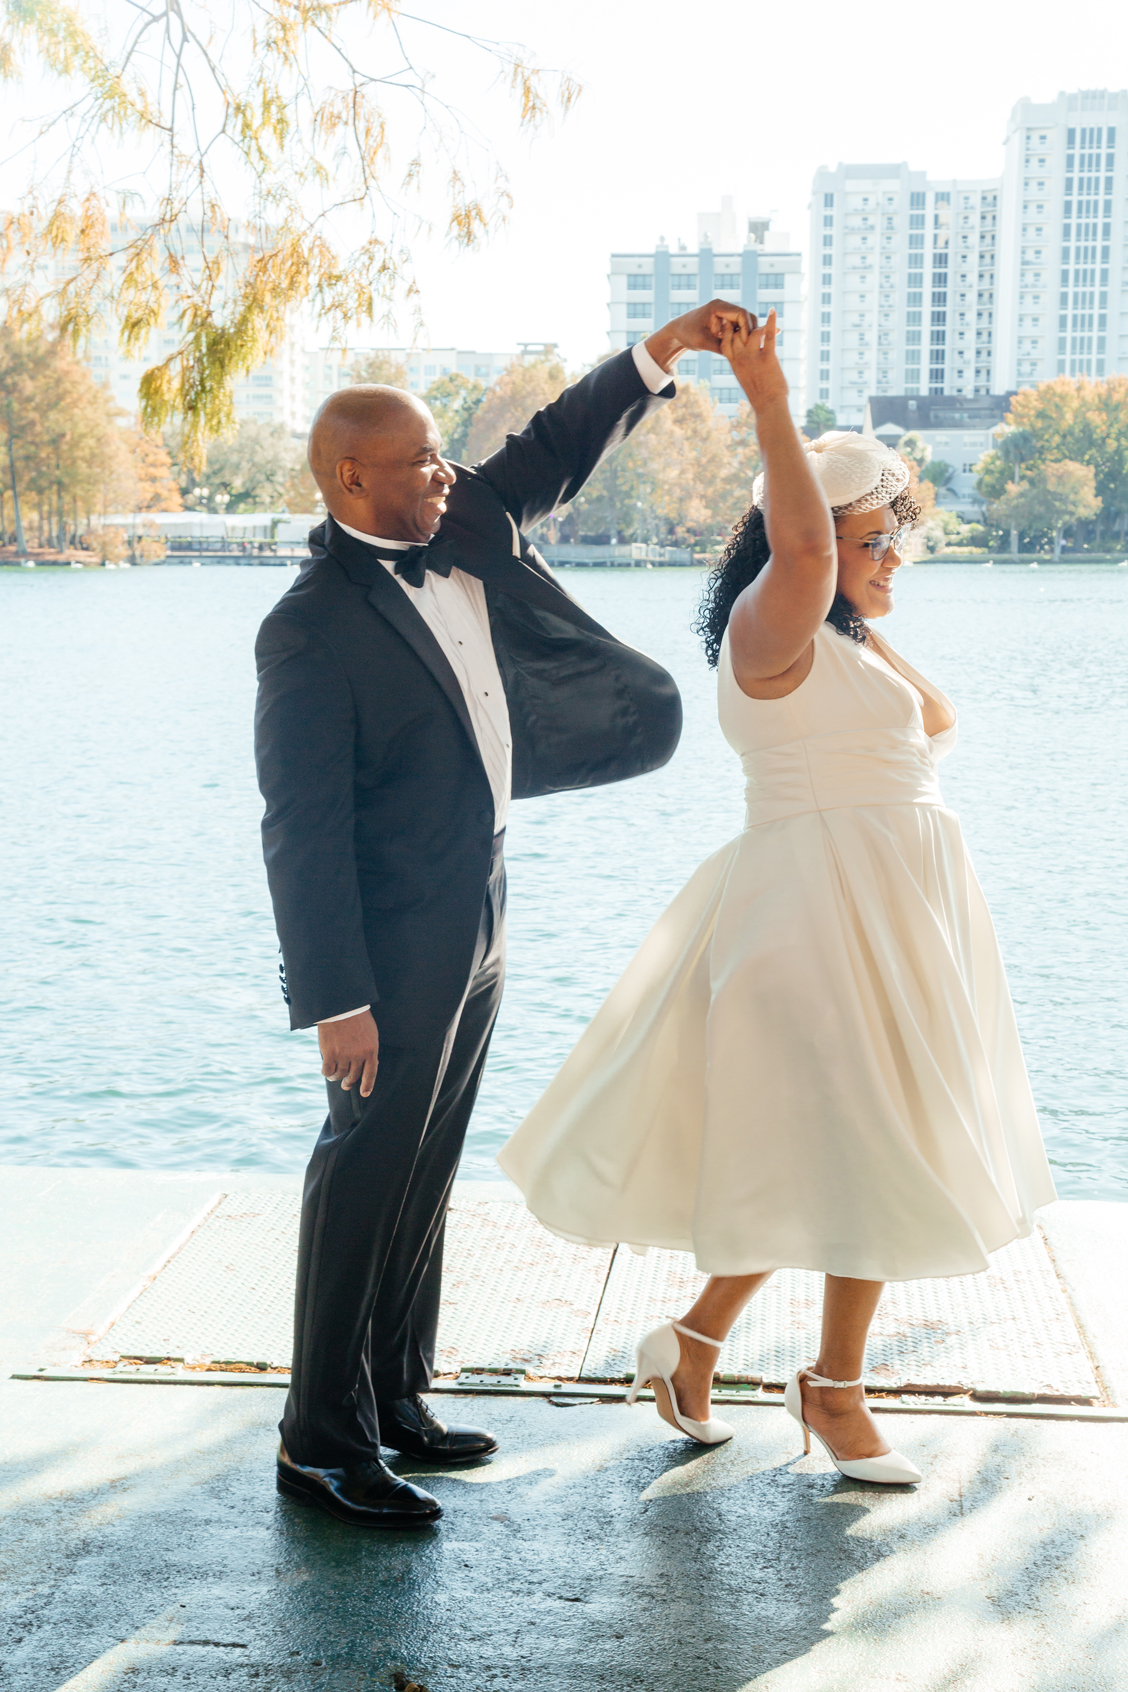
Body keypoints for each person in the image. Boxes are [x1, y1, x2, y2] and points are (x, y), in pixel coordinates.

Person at [499, 312, 1055, 1485]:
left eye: (903, 538)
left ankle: (695, 1345)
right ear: (803, 543)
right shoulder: (768, 627)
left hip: (894, 909)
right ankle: (831, 1390)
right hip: (815, 916)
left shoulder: (836, 642)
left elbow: (936, 725)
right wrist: (770, 410)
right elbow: (799, 554)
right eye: (877, 539)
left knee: (842, 1148)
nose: (898, 555)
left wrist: (868, 598)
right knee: (873, 1142)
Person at [254, 301, 754, 1528]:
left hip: (477, 903)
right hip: (381, 943)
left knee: (425, 1169)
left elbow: (561, 439)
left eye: (443, 454)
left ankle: (394, 1401)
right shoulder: (306, 632)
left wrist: (665, 348)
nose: (447, 472)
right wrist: (335, 1001)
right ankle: (319, 1442)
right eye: (422, 460)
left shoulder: (466, 518)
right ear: (348, 479)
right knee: (363, 1171)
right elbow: (298, 828)